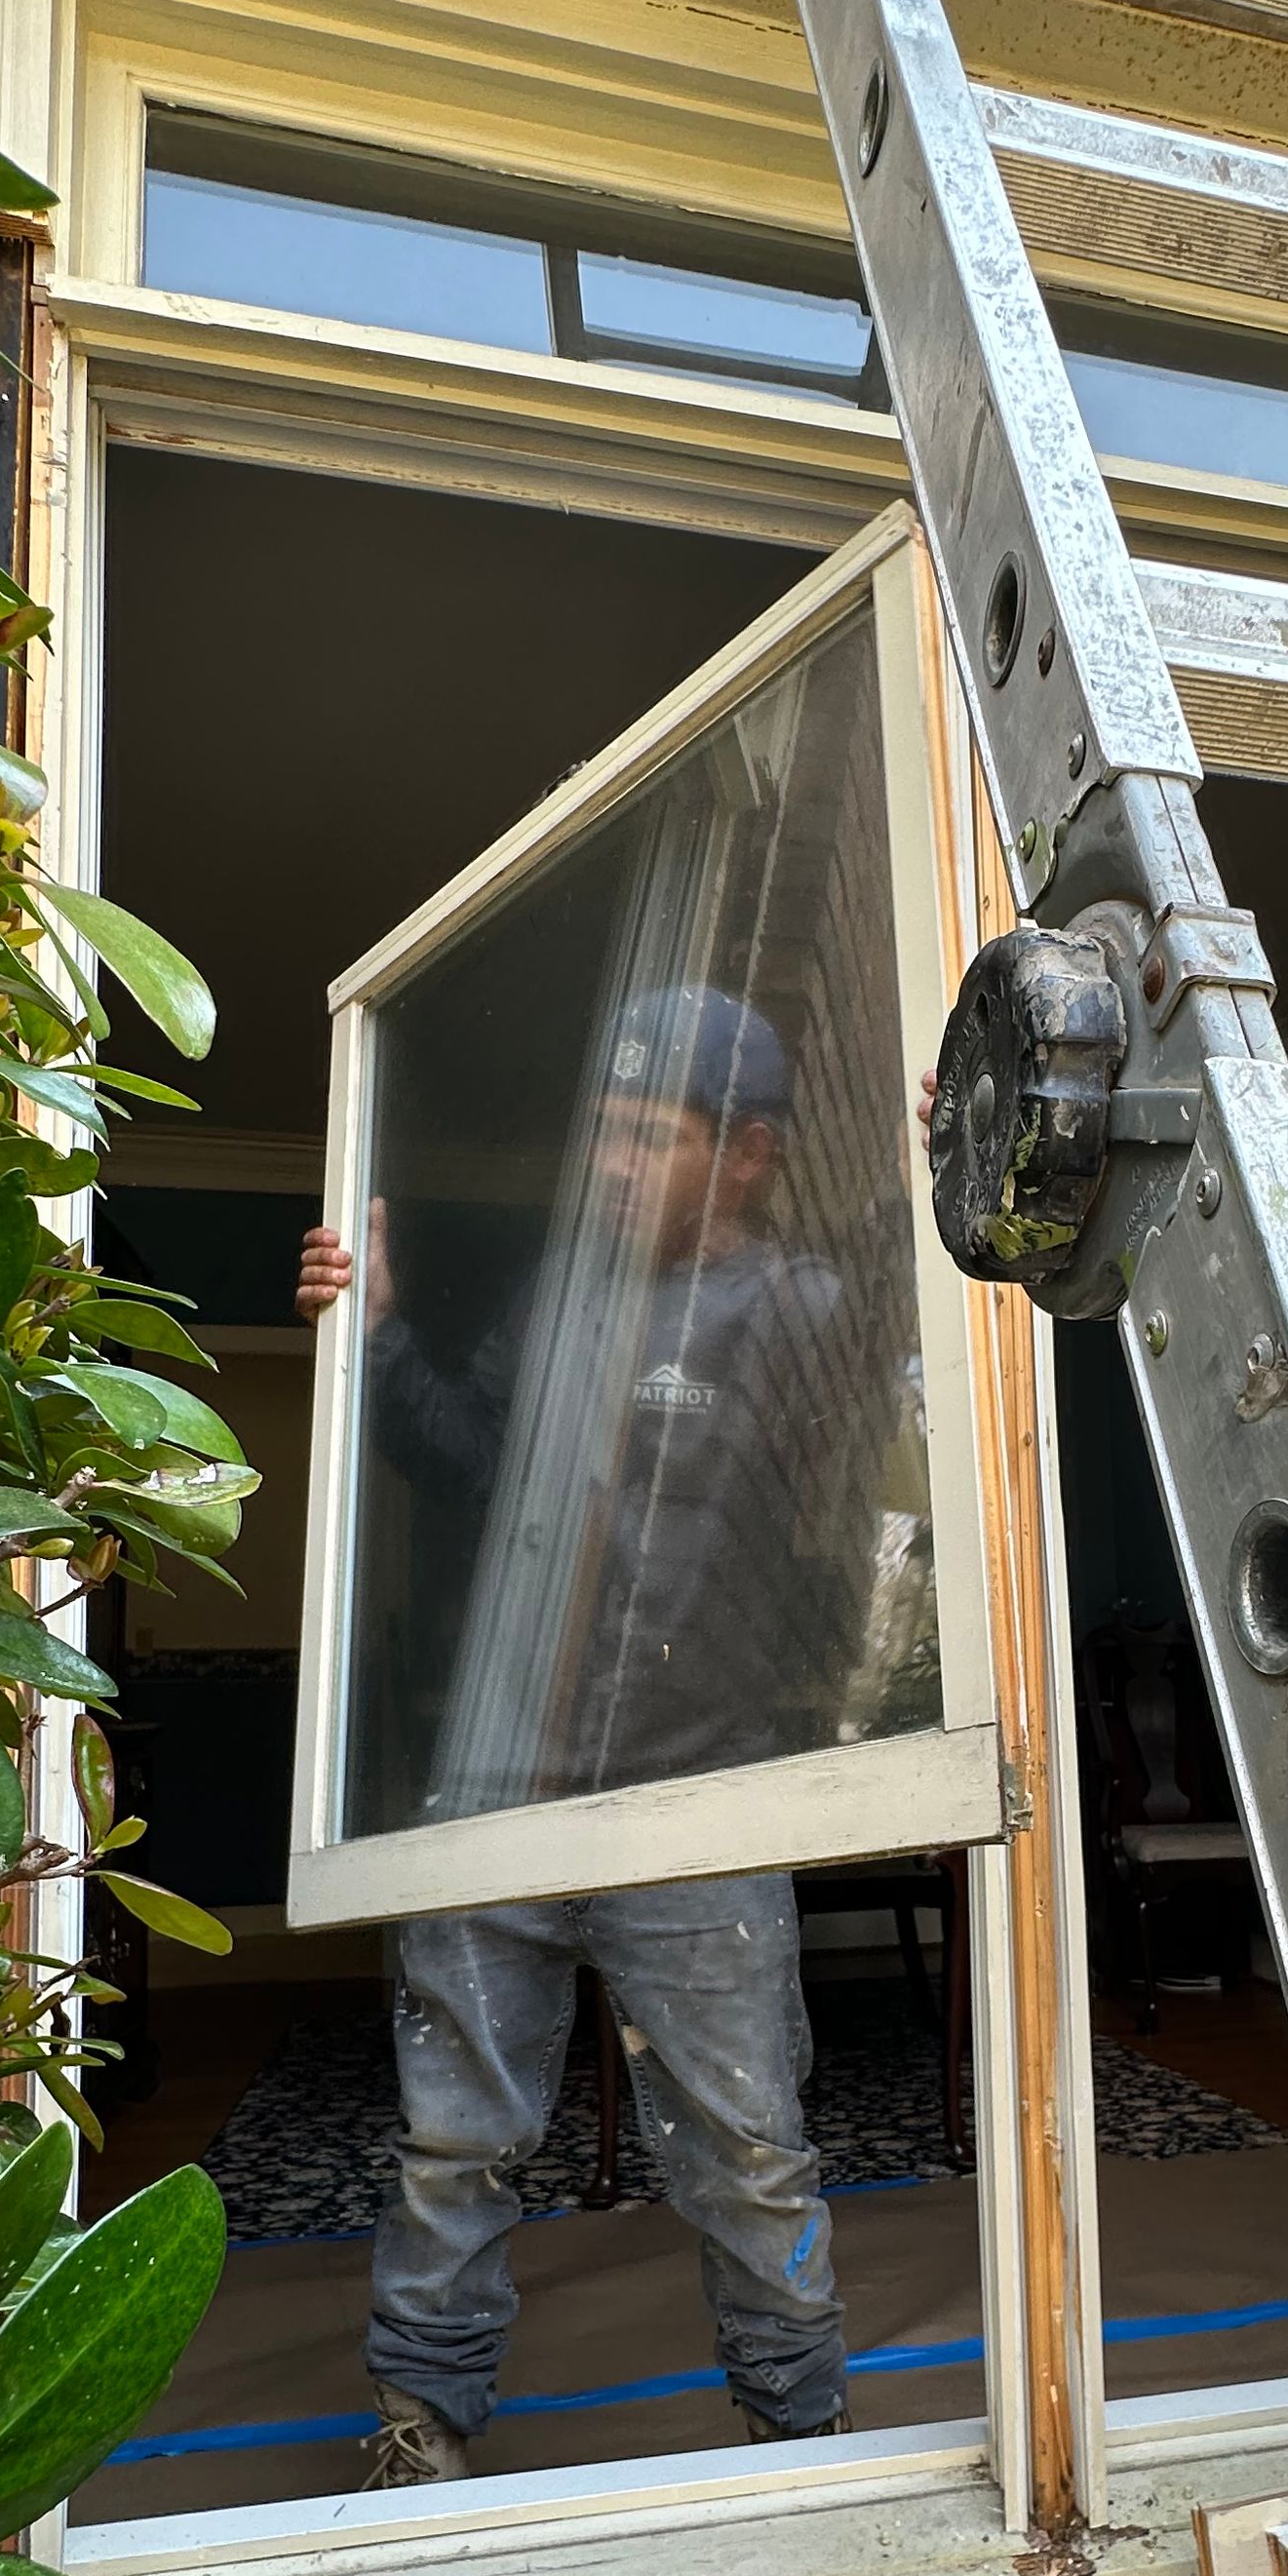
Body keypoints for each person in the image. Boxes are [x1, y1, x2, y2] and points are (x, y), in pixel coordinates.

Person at [298, 983, 853, 2489]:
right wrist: (382, 1334)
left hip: (701, 1798)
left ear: (741, 1154)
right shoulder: (563, 1302)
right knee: (454, 2152)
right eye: (600, 1133)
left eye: (646, 1137)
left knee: (748, 2152)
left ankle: (797, 2440)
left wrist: (965, 1194)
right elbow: (463, 1462)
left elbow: (921, 1392)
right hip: (501, 1792)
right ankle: (422, 2436)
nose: (608, 1164)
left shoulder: (803, 1306)